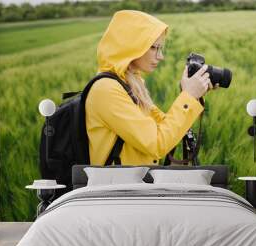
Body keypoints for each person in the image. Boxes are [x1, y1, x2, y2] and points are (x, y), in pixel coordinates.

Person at [86, 10, 218, 166]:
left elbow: (165, 128)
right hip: (116, 188)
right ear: (131, 46)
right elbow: (156, 143)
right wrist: (188, 97)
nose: (160, 56)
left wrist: (192, 94)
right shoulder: (107, 90)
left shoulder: (132, 83)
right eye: (154, 48)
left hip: (133, 183)